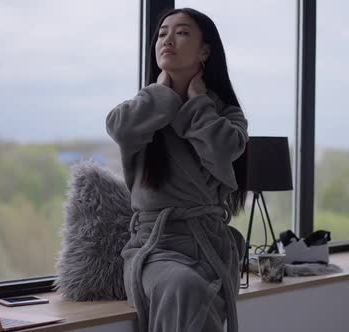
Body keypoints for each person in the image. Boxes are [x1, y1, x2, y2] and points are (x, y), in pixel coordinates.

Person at [106, 7, 248, 332]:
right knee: (185, 287)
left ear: (204, 52)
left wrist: (197, 104)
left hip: (210, 246)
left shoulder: (227, 116)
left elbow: (224, 150)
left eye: (182, 32)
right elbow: (119, 128)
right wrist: (163, 95)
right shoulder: (143, 109)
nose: (167, 40)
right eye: (162, 33)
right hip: (155, 248)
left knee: (195, 290)